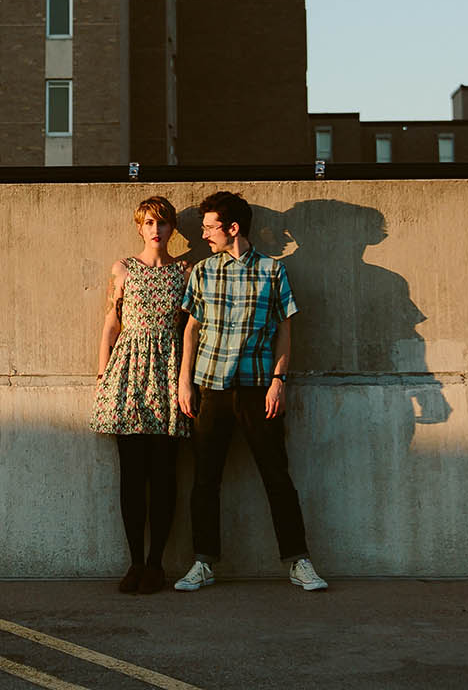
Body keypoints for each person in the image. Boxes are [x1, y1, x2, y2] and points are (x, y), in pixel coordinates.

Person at [173, 190, 328, 592]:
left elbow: (284, 331)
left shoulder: (272, 272)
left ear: (233, 228)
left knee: (277, 476)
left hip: (260, 389)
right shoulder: (203, 271)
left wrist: (279, 382)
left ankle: (299, 562)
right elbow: (191, 329)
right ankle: (203, 563)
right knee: (205, 479)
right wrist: (183, 382)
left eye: (209, 227)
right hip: (211, 388)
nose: (204, 235)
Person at [90, 195, 193, 593]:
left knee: (165, 474)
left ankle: (156, 564)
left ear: (171, 229)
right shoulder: (123, 269)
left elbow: (189, 328)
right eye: (149, 223)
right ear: (139, 226)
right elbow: (111, 323)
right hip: (128, 374)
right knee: (132, 475)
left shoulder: (184, 271)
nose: (156, 230)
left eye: (163, 223)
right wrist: (102, 375)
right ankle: (134, 562)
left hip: (167, 374)